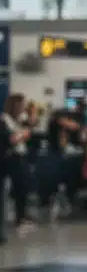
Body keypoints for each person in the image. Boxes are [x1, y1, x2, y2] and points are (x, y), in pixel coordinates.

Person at [1, 94, 33, 232]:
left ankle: (21, 215)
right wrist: (22, 136)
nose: (22, 108)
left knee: (23, 187)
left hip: (20, 155)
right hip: (10, 158)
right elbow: (10, 140)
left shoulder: (19, 120)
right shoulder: (4, 121)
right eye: (20, 105)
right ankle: (18, 218)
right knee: (17, 187)